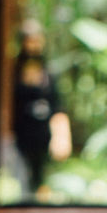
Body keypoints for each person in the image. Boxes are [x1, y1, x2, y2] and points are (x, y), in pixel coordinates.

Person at [11, 19, 71, 197]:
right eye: (30, 40)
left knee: (41, 178)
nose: (33, 45)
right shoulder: (14, 70)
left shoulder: (48, 71)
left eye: (37, 40)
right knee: (23, 178)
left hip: (42, 134)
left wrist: (61, 135)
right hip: (21, 135)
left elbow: (56, 104)